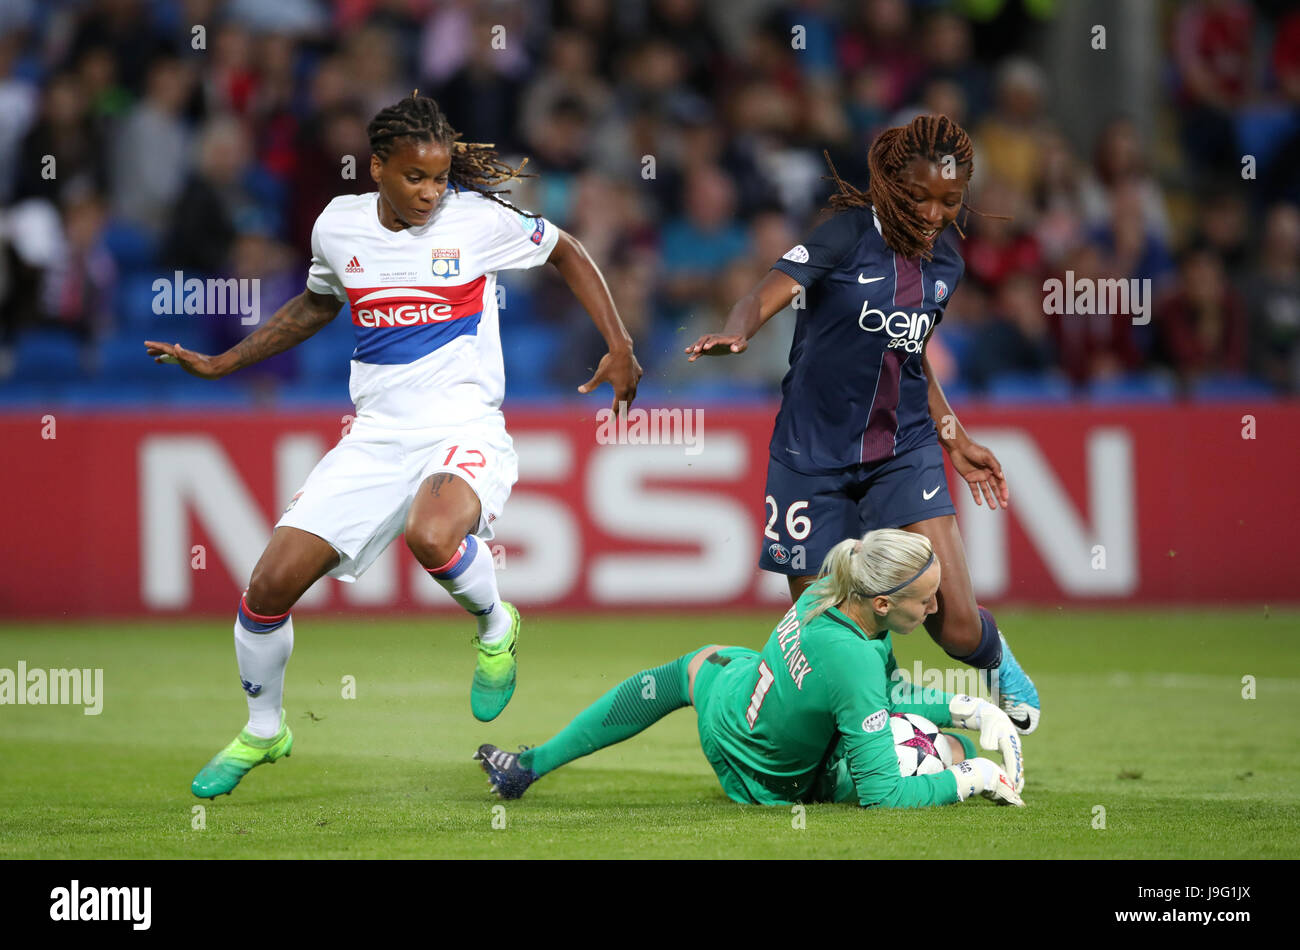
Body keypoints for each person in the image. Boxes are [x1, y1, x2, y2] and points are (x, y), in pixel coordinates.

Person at [145, 93, 642, 799]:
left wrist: (620, 344)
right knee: (267, 587)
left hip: (464, 425)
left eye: (439, 178)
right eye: (415, 177)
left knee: (432, 533)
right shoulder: (337, 226)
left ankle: (496, 626)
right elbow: (317, 303)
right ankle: (264, 730)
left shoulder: (476, 222)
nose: (431, 193)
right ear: (378, 168)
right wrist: (224, 364)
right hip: (375, 437)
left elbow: (567, 249)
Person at [683, 114, 1040, 732]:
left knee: (956, 623)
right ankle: (881, 735)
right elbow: (769, 288)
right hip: (810, 459)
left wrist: (955, 439)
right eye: (921, 197)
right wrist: (738, 331)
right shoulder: (845, 235)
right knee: (833, 642)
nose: (933, 213)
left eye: (951, 202)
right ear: (894, 185)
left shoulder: (947, 264)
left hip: (903, 449)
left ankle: (996, 662)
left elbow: (910, 355)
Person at [475, 529, 1024, 809]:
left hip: (732, 700)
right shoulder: (854, 661)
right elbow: (884, 797)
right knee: (947, 751)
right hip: (764, 779)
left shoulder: (825, 594)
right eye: (927, 600)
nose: (935, 610)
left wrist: (965, 705)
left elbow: (884, 689)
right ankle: (957, 759)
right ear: (882, 604)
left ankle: (528, 766)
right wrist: (970, 775)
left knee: (684, 669)